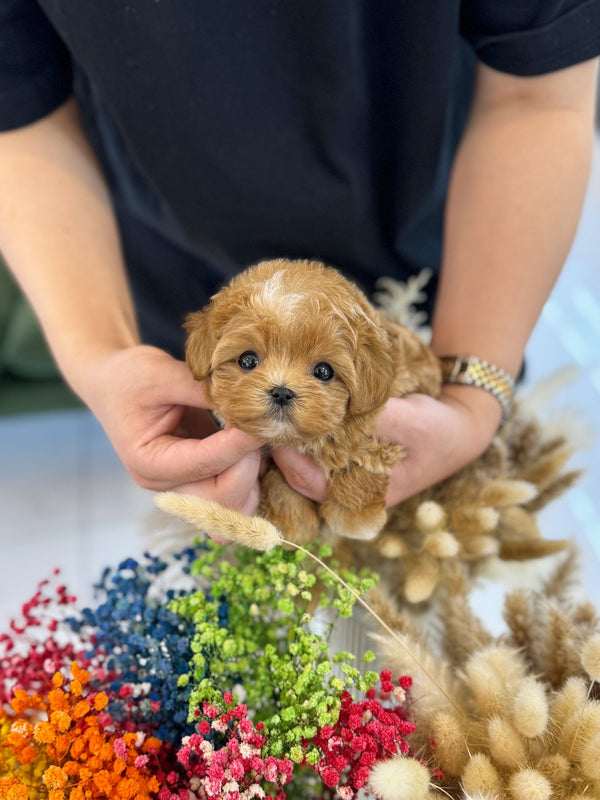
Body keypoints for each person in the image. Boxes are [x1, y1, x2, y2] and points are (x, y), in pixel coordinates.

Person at [0, 2, 599, 522]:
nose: (283, 388)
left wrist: (472, 393)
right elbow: (18, 107)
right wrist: (101, 356)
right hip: (167, 272)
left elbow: (537, 88)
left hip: (446, 277)